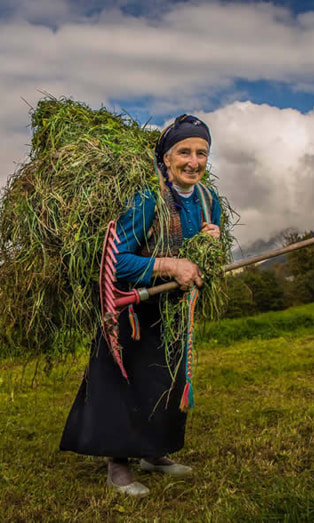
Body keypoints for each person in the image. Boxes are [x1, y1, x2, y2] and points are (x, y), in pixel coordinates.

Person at [60, 115, 222, 497]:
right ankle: (118, 464)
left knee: (165, 379)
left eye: (202, 153)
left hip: (172, 310)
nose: (194, 161)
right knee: (125, 381)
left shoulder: (206, 199)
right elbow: (114, 261)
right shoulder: (147, 198)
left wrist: (210, 244)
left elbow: (203, 258)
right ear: (165, 157)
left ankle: (155, 452)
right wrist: (168, 265)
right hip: (130, 310)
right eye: (184, 152)